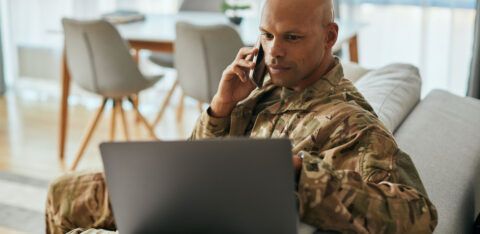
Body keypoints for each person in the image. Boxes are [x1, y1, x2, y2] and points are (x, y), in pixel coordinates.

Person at [45, 0, 438, 233]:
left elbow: (417, 216)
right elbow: (197, 157)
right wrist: (220, 108)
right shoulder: (263, 88)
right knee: (62, 192)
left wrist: (298, 171)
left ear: (330, 36)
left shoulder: (351, 123)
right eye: (266, 35)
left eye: (292, 37)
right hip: (194, 196)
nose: (274, 50)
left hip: (217, 219)